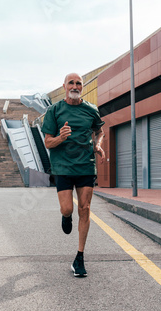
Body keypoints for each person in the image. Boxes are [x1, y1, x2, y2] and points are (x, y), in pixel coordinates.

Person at [41, 72, 105, 277]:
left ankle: (79, 257)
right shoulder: (55, 110)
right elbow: (47, 142)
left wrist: (97, 144)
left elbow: (100, 131)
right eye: (71, 83)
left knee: (85, 209)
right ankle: (65, 216)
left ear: (82, 87)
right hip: (63, 167)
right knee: (68, 208)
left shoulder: (91, 110)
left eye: (79, 83)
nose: (75, 86)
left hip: (86, 165)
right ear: (64, 86)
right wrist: (61, 137)